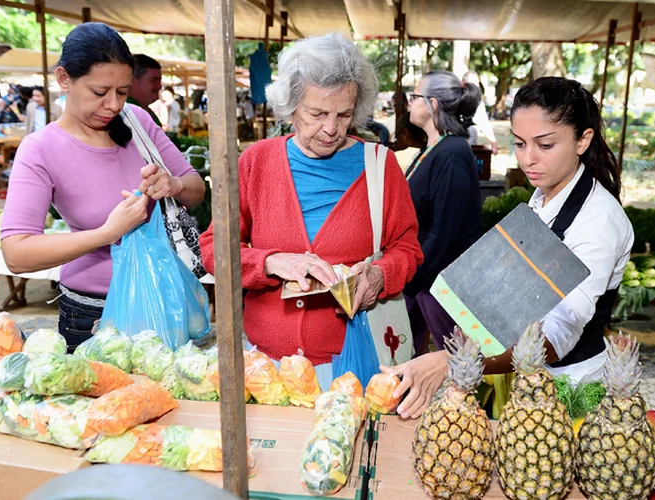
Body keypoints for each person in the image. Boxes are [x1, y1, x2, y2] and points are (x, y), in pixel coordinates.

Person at [388, 76, 633, 419]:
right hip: (516, 378)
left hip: (568, 390)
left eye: (545, 145)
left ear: (583, 140)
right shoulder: (544, 195)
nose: (528, 159)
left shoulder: (599, 221)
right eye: (519, 143)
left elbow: (560, 333)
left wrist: (451, 361)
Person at [199, 33, 423, 390]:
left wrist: (379, 277)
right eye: (317, 113)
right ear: (290, 107)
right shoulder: (256, 162)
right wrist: (271, 262)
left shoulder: (381, 166)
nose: (332, 129)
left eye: (344, 114)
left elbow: (408, 249)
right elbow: (213, 249)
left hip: (352, 362)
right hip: (263, 363)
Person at [1, 23, 205, 350]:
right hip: (92, 315)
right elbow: (16, 253)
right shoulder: (40, 148)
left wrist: (173, 183)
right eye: (99, 92)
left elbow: (196, 190)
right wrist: (107, 233)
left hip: (163, 299)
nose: (113, 105)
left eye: (122, 92)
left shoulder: (138, 121)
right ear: (64, 79)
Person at [403, 70, 483, 355]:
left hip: (437, 284)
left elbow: (444, 232)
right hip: (425, 279)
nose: (409, 103)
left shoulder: (452, 153)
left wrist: (411, 277)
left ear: (433, 104)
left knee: (451, 365)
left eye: (414, 97)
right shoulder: (434, 147)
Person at [462, 71, 498, 155]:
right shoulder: (453, 98)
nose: (476, 86)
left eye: (477, 83)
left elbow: (484, 124)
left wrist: (494, 143)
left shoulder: (477, 102)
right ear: (463, 83)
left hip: (470, 148)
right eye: (473, 83)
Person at [127, 54, 163, 127]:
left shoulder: (145, 111)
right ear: (132, 80)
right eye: (154, 80)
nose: (159, 86)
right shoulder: (126, 111)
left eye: (159, 81)